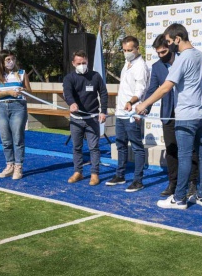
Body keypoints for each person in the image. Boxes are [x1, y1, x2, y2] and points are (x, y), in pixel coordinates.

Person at [136, 23, 202, 210]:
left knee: (184, 156)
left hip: (187, 115)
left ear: (178, 38)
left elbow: (166, 87)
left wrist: (144, 104)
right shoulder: (201, 56)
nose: (169, 46)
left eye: (169, 42)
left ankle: (179, 198)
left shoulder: (182, 58)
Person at [144, 34, 199, 197]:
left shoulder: (185, 60)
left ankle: (192, 183)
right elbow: (153, 89)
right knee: (171, 149)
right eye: (158, 53)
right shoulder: (156, 67)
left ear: (170, 47)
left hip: (187, 113)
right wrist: (146, 107)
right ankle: (173, 183)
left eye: (163, 52)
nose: (161, 56)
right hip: (168, 114)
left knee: (190, 150)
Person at [105, 36, 149, 192]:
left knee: (137, 147)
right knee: (120, 144)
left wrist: (131, 102)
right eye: (124, 50)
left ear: (137, 49)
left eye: (130, 50)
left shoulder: (141, 66)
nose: (126, 53)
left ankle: (138, 180)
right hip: (121, 112)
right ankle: (120, 175)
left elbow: (141, 90)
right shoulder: (126, 64)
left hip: (133, 113)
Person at [63, 50, 108, 186]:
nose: (82, 65)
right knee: (77, 147)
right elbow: (67, 93)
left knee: (94, 147)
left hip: (92, 118)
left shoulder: (95, 76)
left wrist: (103, 111)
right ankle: (78, 172)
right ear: (73, 63)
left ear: (87, 61)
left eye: (84, 62)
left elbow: (104, 93)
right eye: (79, 63)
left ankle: (94, 174)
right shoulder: (69, 78)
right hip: (76, 119)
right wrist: (72, 103)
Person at [0, 50, 32, 180]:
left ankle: (18, 167)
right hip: (2, 108)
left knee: (18, 137)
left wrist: (23, 90)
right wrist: (8, 92)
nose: (11, 62)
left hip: (18, 107)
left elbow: (29, 92)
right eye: (8, 59)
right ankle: (9, 165)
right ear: (2, 61)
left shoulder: (22, 73)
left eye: (13, 59)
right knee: (5, 138)